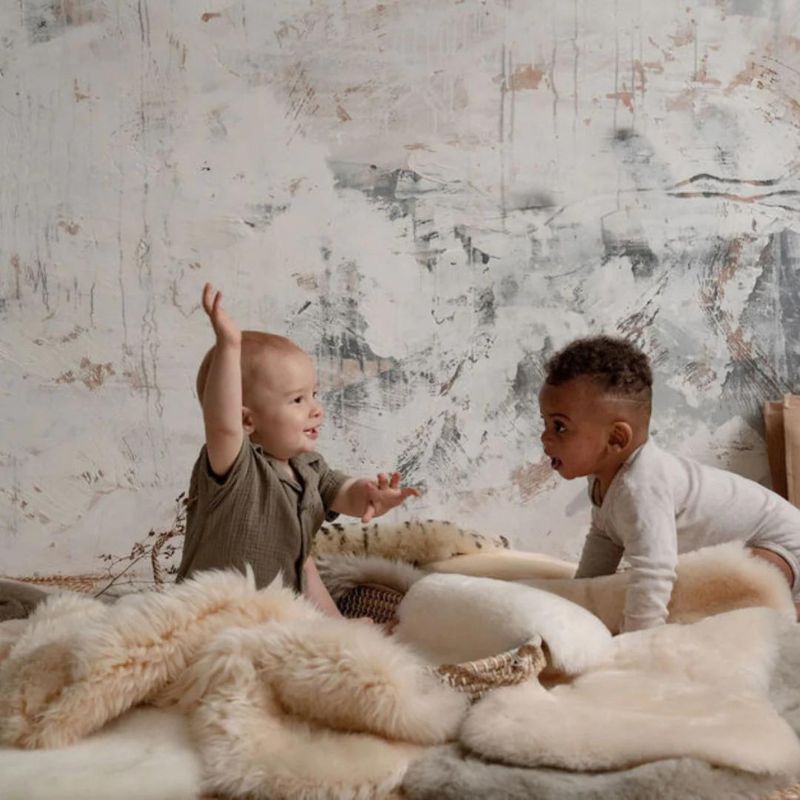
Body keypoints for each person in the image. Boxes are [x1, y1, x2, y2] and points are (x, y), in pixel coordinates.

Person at [176, 283, 419, 618]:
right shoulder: (237, 468)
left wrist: (369, 496)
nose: (316, 409)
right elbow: (222, 423)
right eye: (297, 400)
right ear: (248, 420)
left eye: (314, 394)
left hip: (281, 615)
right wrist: (228, 346)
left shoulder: (309, 466)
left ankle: (344, 637)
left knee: (307, 571)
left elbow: (341, 493)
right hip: (215, 618)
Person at [538, 334, 800, 631]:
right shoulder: (605, 478)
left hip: (784, 550)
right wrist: (578, 599)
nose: (545, 438)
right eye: (545, 423)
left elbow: (654, 572)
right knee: (694, 582)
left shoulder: (640, 488)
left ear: (615, 438)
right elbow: (604, 539)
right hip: (767, 546)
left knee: (719, 588)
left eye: (559, 426)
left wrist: (637, 639)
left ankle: (791, 610)